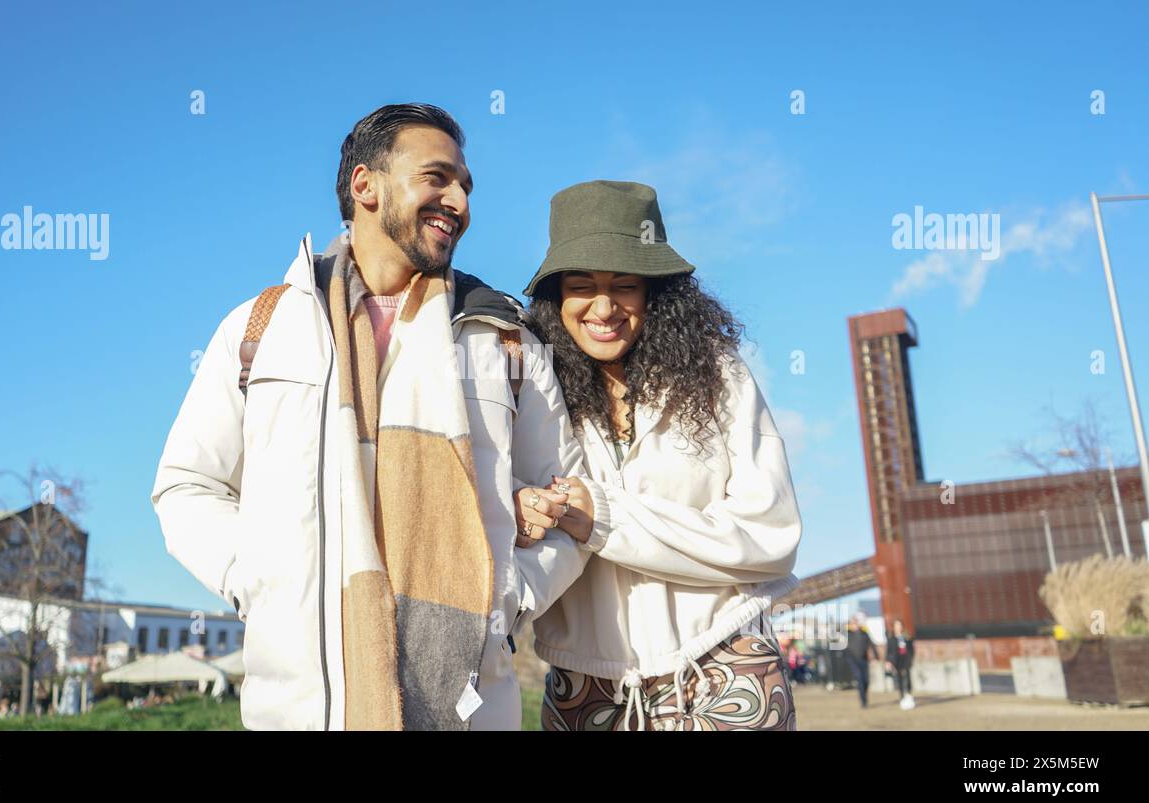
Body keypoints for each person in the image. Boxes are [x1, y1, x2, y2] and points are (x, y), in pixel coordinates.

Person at [152, 104, 586, 730]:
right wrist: (261, 579)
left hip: (470, 708)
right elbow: (185, 486)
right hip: (300, 711)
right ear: (366, 186)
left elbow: (571, 509)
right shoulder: (262, 329)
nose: (458, 200)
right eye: (437, 178)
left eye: (465, 185)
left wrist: (509, 597)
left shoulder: (505, 341)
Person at [516, 180, 803, 731]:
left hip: (726, 669)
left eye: (624, 284)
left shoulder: (719, 378)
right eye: (581, 286)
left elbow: (772, 536)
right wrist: (521, 513)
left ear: (656, 293)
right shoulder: (530, 388)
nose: (604, 307)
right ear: (556, 298)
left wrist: (605, 517)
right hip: (584, 691)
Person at [844, 613, 881, 708]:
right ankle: (863, 701)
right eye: (852, 623)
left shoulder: (864, 633)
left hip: (863, 659)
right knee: (859, 678)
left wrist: (877, 657)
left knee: (866, 680)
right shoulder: (847, 634)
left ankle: (864, 695)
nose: (854, 625)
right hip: (852, 660)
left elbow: (872, 644)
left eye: (855, 623)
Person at [886, 618, 916, 709]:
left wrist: (911, 658)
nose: (898, 627)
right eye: (896, 625)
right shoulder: (891, 638)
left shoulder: (906, 637)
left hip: (906, 659)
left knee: (907, 677)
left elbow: (911, 649)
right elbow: (889, 651)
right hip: (896, 660)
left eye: (900, 625)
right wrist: (888, 662)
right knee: (899, 678)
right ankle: (902, 696)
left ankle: (909, 694)